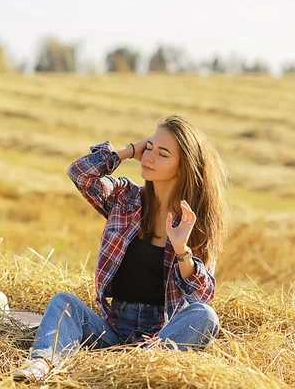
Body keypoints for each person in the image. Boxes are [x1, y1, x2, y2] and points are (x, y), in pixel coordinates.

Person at [13, 115, 230, 381]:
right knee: (63, 302)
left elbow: (202, 296)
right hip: (111, 331)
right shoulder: (125, 198)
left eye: (163, 154)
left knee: (205, 316)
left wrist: (181, 247)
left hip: (159, 342)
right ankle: (41, 364)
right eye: (148, 148)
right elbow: (80, 173)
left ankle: (137, 367)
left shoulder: (194, 223)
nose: (149, 157)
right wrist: (128, 151)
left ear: (183, 167)